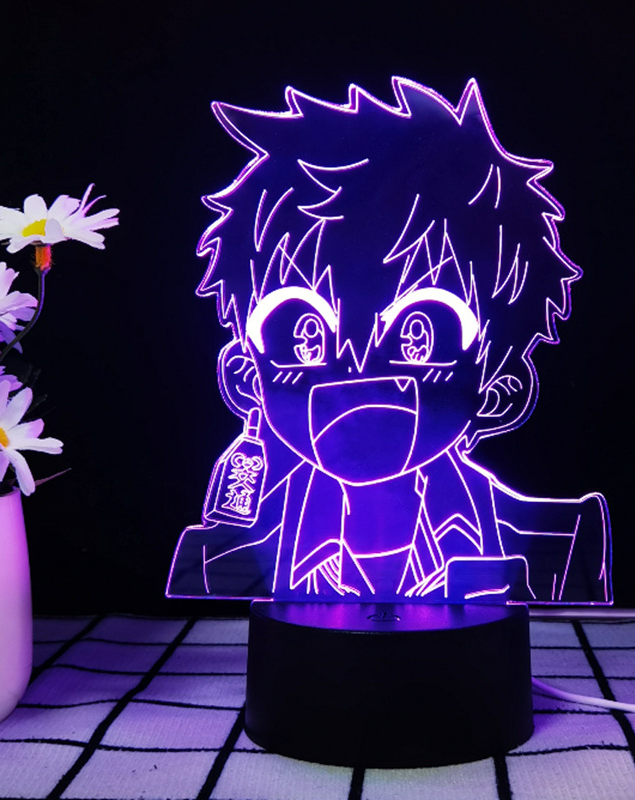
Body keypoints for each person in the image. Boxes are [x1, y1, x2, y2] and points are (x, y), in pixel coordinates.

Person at [166, 77, 610, 604]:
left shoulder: (556, 556)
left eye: (420, 336)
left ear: (498, 390)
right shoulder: (220, 565)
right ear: (246, 378)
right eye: (304, 337)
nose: (357, 373)